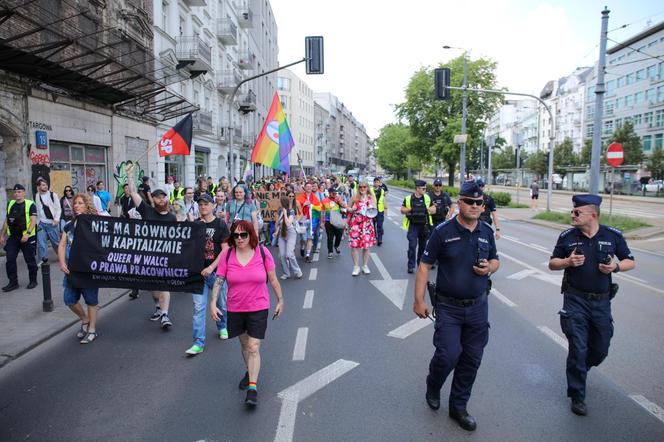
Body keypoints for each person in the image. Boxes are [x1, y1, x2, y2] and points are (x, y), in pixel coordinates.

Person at [413, 180, 500, 432]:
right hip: (449, 307)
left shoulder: (485, 231)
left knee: (472, 359)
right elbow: (424, 265)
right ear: (459, 202)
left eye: (479, 202)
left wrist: (489, 268)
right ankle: (433, 383)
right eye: (469, 202)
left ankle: (458, 407)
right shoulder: (442, 231)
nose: (475, 206)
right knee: (448, 355)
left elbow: (496, 261)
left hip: (478, 307)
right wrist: (419, 300)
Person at [548, 194, 635, 416]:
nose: (572, 215)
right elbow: (552, 263)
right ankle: (577, 395)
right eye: (572, 211)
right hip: (575, 300)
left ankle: (580, 368)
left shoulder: (612, 235)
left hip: (601, 302)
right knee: (578, 347)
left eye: (577, 212)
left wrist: (615, 267)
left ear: (592, 215)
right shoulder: (567, 236)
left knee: (600, 348)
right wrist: (567, 262)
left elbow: (630, 261)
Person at [210, 220, 284, 406]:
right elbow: (219, 280)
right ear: (232, 237)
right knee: (244, 345)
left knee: (253, 346)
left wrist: (280, 300)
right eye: (236, 235)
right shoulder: (227, 255)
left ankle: (252, 388)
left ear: (251, 234)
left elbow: (273, 279)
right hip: (235, 308)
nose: (240, 238)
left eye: (244, 235)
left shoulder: (262, 252)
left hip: (258, 306)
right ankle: (249, 371)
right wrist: (213, 303)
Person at [127, 164, 176, 328]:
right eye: (158, 197)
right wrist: (130, 175)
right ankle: (158, 307)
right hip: (148, 257)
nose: (161, 199)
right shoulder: (147, 211)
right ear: (153, 199)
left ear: (167, 199)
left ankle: (165, 315)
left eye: (163, 197)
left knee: (164, 286)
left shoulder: (172, 218)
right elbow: (133, 193)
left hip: (165, 258)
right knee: (154, 289)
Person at [186, 194, 231, 355]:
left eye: (206, 204)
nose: (203, 207)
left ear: (213, 206)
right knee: (199, 308)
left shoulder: (220, 224)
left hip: (217, 273)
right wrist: (198, 228)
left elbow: (226, 249)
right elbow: (188, 247)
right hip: (198, 274)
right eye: (200, 204)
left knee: (222, 305)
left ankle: (223, 325)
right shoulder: (196, 224)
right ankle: (198, 342)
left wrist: (212, 267)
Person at [57, 193, 100, 344]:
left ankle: (92, 330)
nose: (76, 206)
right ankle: (85, 319)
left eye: (80, 203)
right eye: (75, 203)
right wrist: (62, 263)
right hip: (72, 270)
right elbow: (62, 245)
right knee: (69, 299)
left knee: (91, 301)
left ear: (87, 205)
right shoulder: (69, 225)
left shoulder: (95, 224)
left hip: (89, 270)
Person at [1, 184, 38, 292]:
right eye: (15, 192)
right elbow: (7, 221)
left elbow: (33, 220)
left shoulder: (30, 204)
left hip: (27, 237)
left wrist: (27, 233)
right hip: (13, 237)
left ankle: (33, 280)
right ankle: (13, 282)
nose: (17, 194)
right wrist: (2, 235)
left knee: (29, 259)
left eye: (19, 192)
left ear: (24, 192)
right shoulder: (10, 203)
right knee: (10, 258)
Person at [401, 180, 435, 274]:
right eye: (423, 188)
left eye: (425, 188)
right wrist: (410, 209)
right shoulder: (408, 198)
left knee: (423, 246)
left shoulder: (427, 198)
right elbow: (402, 210)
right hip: (413, 226)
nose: (425, 190)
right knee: (412, 245)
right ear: (417, 188)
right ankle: (410, 266)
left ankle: (420, 264)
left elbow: (434, 210)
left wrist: (428, 209)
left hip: (424, 226)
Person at [347, 181, 377, 276]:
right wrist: (352, 209)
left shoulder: (371, 198)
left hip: (367, 225)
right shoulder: (354, 198)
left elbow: (375, 210)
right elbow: (348, 208)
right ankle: (356, 266)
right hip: (356, 224)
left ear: (367, 188)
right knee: (354, 246)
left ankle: (365, 265)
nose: (362, 189)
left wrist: (371, 208)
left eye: (364, 187)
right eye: (360, 187)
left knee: (366, 246)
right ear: (358, 188)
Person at [35, 178, 62, 262]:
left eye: (46, 185)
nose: (45, 186)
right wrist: (37, 222)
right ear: (38, 187)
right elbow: (37, 209)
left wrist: (56, 219)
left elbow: (58, 208)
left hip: (52, 223)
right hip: (41, 224)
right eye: (43, 185)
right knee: (41, 244)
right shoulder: (36, 195)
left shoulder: (53, 195)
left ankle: (62, 257)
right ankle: (42, 260)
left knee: (56, 243)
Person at [276, 195, 303, 279]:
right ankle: (286, 273)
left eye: (279, 202)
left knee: (289, 254)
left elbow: (288, 223)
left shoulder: (291, 211)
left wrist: (285, 213)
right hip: (281, 234)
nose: (278, 203)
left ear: (283, 203)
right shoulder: (279, 211)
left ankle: (297, 271)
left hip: (291, 233)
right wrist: (276, 232)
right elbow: (278, 224)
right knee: (282, 255)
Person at [296, 181, 321, 263]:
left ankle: (307, 255)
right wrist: (304, 204)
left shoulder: (314, 197)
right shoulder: (300, 197)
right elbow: (297, 206)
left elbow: (319, 207)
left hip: (311, 220)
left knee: (310, 238)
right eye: (307, 186)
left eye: (310, 186)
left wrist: (312, 206)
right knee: (303, 238)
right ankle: (302, 247)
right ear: (305, 188)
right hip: (303, 220)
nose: (309, 188)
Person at [320, 187, 346, 259]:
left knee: (339, 236)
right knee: (330, 237)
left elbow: (344, 206)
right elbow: (322, 212)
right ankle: (330, 251)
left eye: (335, 193)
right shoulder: (324, 201)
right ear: (329, 193)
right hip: (328, 221)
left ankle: (336, 246)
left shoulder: (338, 199)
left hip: (338, 221)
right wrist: (322, 222)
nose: (334, 194)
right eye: (333, 193)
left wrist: (339, 201)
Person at [370, 177, 388, 246]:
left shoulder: (382, 190)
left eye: (378, 182)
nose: (376, 183)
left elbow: (383, 200)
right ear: (373, 183)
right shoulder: (370, 190)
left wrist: (386, 209)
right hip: (372, 210)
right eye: (375, 182)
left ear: (379, 183)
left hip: (380, 210)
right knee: (372, 225)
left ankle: (380, 239)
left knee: (380, 225)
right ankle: (374, 237)